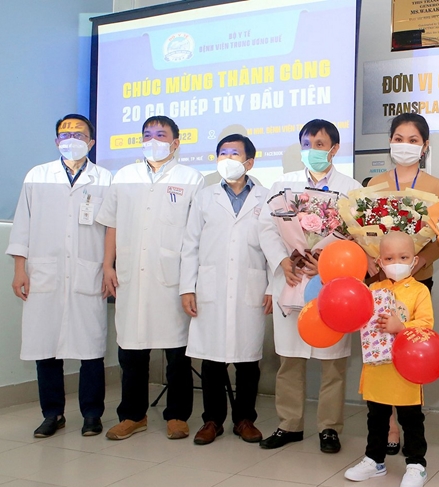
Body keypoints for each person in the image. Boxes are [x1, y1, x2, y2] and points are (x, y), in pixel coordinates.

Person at [97, 115, 205, 440]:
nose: (153, 140)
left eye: (161, 134)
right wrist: (108, 265)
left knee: (177, 353)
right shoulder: (124, 176)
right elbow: (112, 223)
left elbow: (196, 233)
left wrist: (192, 281)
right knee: (131, 350)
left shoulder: (192, 178)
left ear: (176, 142)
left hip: (172, 277)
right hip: (131, 275)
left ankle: (177, 415)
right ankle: (133, 415)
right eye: (147, 134)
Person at [258, 119, 361, 453]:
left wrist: (326, 264)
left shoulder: (351, 189)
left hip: (330, 284)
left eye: (319, 145)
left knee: (333, 363)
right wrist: (283, 260)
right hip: (291, 278)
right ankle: (289, 425)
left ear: (334, 149)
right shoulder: (283, 185)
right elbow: (266, 229)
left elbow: (357, 236)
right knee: (289, 360)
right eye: (306, 144)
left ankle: (329, 428)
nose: (312, 150)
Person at [7, 114, 112, 438]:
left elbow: (112, 229)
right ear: (56, 142)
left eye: (79, 134)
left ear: (91, 142)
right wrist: (20, 269)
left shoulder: (105, 179)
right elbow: (22, 225)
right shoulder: (37, 176)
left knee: (91, 349)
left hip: (87, 272)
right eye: (65, 134)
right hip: (45, 273)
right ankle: (52, 414)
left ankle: (92, 414)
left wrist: (109, 267)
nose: (71, 139)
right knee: (46, 347)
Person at [366, 112, 439, 454]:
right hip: (380, 283)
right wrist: (372, 259)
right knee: (381, 353)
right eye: (399, 138)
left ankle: (409, 416)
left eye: (413, 140)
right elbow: (365, 233)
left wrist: (421, 260)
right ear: (390, 142)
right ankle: (388, 426)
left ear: (424, 146)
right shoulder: (374, 185)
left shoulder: (435, 187)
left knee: (410, 348)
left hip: (417, 283)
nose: (405, 145)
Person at [180, 134, 270, 445]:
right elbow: (190, 245)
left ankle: (245, 419)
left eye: (234, 154)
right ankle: (212, 420)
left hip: (251, 286)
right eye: (222, 154)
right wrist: (187, 288)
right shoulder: (205, 197)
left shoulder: (266, 198)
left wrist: (272, 287)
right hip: (211, 287)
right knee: (212, 359)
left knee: (248, 360)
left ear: (249, 162)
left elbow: (274, 247)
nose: (227, 159)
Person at [344, 232, 432, 487]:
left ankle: (416, 464)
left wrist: (401, 326)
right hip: (377, 368)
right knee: (376, 416)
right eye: (390, 258)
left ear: (414, 260)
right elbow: (360, 319)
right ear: (379, 262)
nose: (397, 263)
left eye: (403, 257)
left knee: (410, 417)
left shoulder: (419, 291)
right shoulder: (372, 290)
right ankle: (374, 460)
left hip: (407, 368)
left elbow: (426, 324)